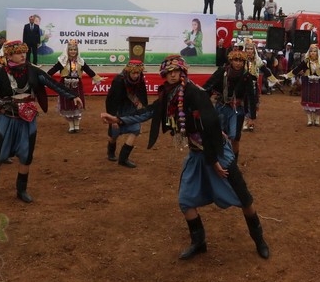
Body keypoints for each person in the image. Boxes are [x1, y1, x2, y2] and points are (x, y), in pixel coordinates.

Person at [100, 55, 269, 259]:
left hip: (216, 152)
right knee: (186, 201)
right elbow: (150, 111)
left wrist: (214, 160)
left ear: (182, 72)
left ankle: (259, 240)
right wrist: (118, 118)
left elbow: (212, 126)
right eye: (169, 72)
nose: (172, 75)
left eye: (176, 71)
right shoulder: (168, 94)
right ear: (165, 74)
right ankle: (199, 242)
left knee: (244, 198)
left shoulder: (194, 93)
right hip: (197, 153)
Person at [0, 40, 82, 203]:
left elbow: (53, 84)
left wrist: (73, 96)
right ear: (9, 55)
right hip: (7, 118)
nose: (23, 55)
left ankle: (21, 190)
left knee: (26, 155)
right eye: (18, 52)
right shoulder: (1, 73)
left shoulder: (34, 71)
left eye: (24, 52)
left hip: (28, 120)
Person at [202, 49, 257, 162]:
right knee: (219, 135)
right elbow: (208, 86)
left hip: (237, 110)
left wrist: (252, 116)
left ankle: (233, 162)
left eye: (241, 61)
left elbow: (251, 96)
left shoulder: (246, 76)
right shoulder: (222, 71)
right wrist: (201, 102)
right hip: (221, 107)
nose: (238, 63)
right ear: (231, 61)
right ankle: (219, 160)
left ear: (244, 62)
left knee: (235, 137)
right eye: (236, 60)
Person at [46, 39, 104, 133]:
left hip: (77, 85)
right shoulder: (62, 61)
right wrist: (44, 77)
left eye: (74, 50)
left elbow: (89, 71)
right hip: (65, 86)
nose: (73, 51)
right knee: (67, 104)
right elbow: (52, 70)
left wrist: (97, 78)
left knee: (77, 104)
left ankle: (76, 124)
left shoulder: (80, 61)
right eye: (71, 50)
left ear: (77, 51)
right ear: (67, 51)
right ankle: (71, 125)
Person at [105, 60, 148, 168]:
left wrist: (144, 106)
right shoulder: (119, 80)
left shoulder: (140, 79)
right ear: (128, 71)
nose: (136, 75)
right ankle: (111, 152)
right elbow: (111, 99)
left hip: (131, 109)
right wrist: (112, 117)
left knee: (135, 129)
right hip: (118, 109)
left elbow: (143, 92)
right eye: (133, 73)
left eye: (138, 73)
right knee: (114, 134)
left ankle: (123, 159)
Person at [283, 44, 320, 126]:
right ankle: (309, 119)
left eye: (315, 51)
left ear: (317, 52)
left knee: (317, 101)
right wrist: (287, 75)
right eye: (311, 51)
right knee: (308, 101)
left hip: (317, 83)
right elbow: (297, 69)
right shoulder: (306, 61)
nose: (313, 53)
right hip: (307, 82)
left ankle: (317, 120)